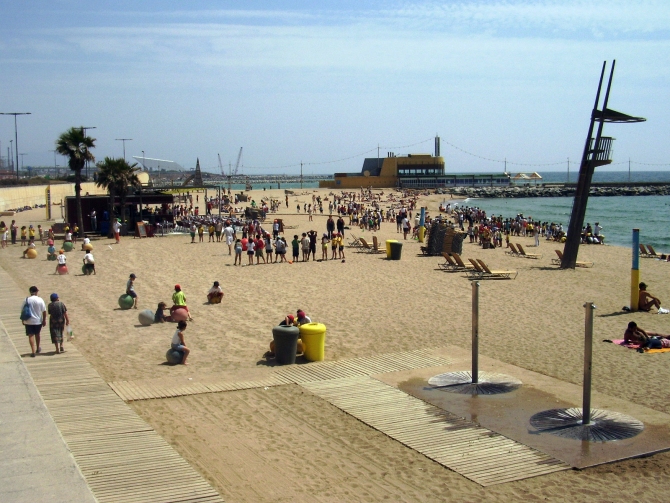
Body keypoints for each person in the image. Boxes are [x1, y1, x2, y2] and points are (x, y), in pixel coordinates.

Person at [22, 286, 47, 357]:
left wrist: (23, 319)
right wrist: (44, 320)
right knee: (37, 334)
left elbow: (23, 310)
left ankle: (33, 351)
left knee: (30, 335)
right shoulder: (40, 299)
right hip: (37, 320)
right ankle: (38, 348)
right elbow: (44, 311)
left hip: (28, 320)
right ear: (36, 292)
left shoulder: (26, 300)